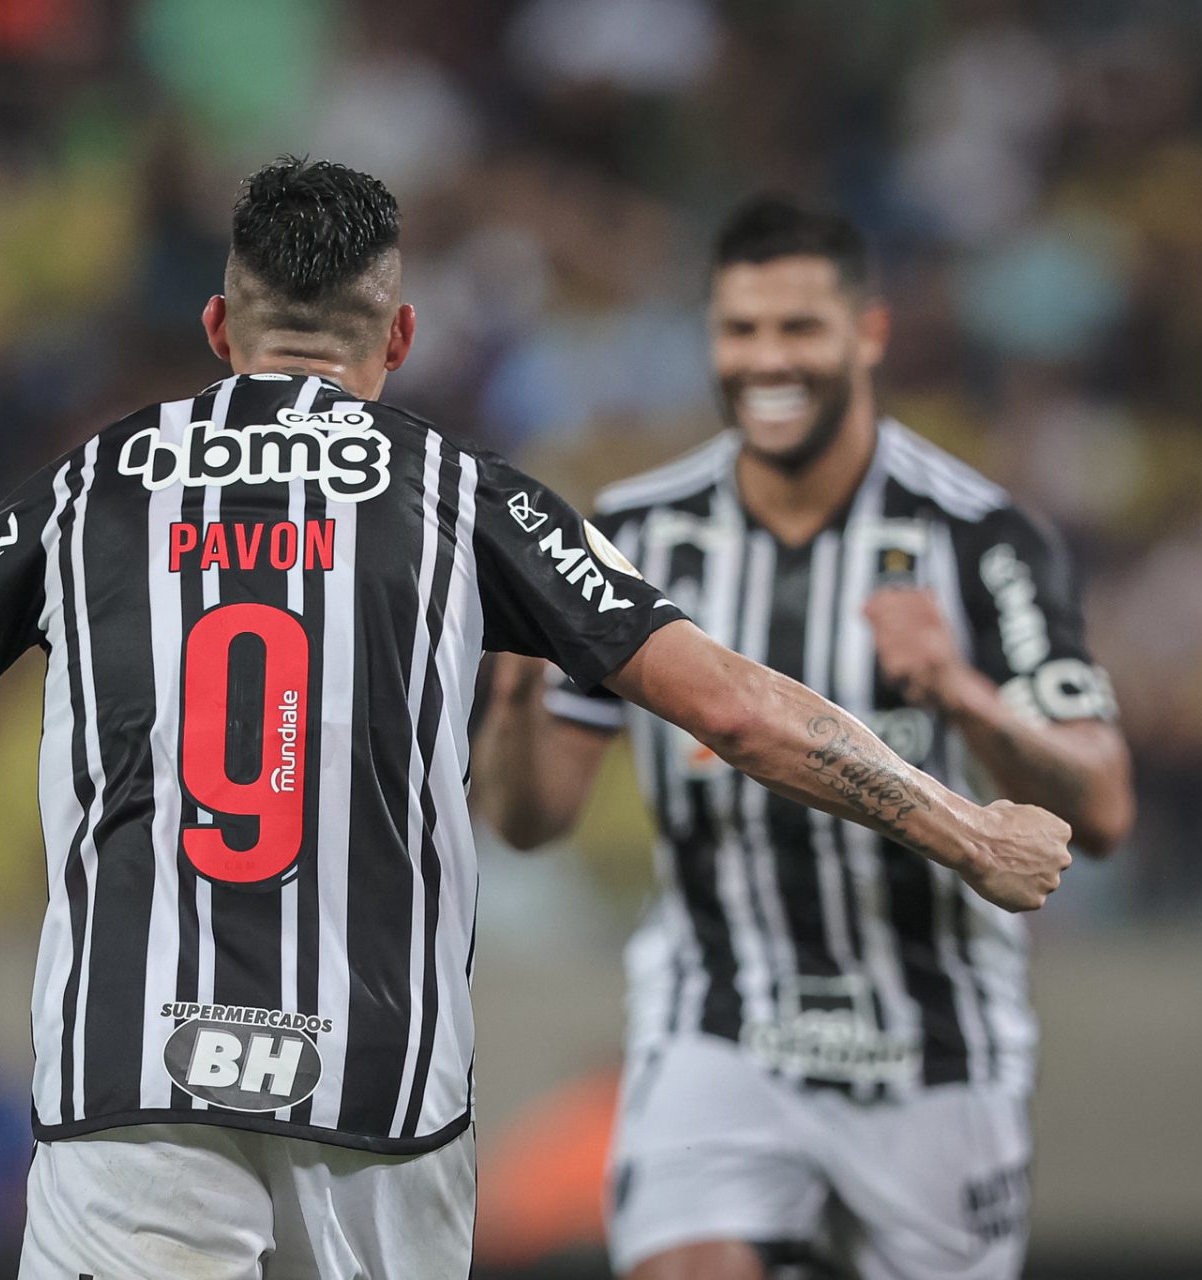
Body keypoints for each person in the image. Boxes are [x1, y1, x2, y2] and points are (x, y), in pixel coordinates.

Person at [0, 162, 1075, 1280]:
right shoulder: (467, 496)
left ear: (217, 326)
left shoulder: (89, 489)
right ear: (401, 337)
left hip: (136, 1080)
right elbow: (740, 711)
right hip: (382, 1092)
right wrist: (960, 823)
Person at [473, 196, 1135, 1280]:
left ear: (867, 334)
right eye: (740, 331)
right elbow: (532, 819)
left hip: (934, 1049)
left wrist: (964, 693)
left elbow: (1101, 806)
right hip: (719, 1027)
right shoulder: (636, 533)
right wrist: (509, 695)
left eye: (799, 329)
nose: (766, 359)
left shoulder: (980, 538)